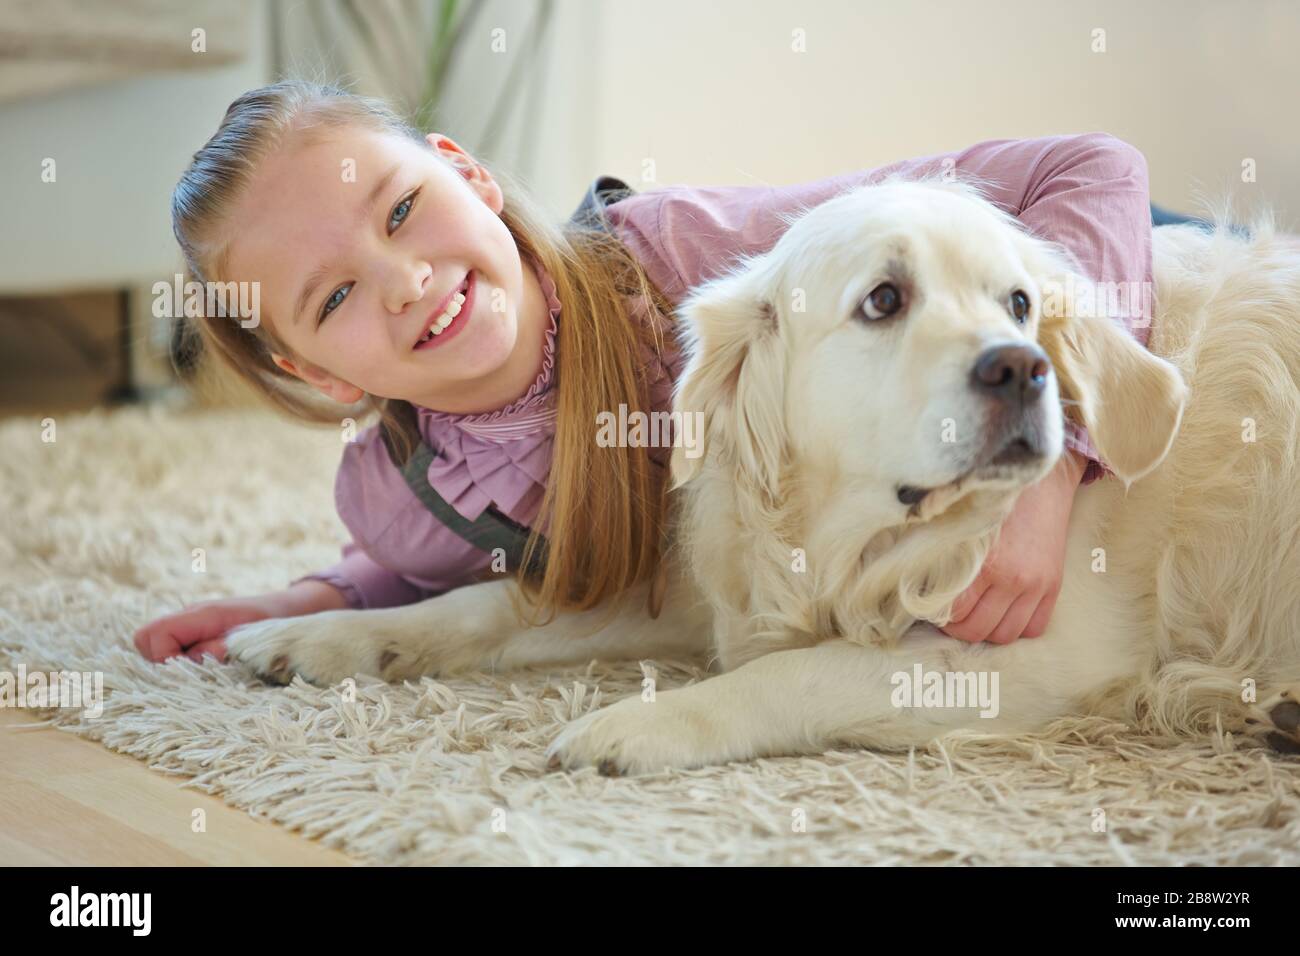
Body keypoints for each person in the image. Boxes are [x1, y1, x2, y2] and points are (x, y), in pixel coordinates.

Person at [134, 78, 1157, 664]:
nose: (403, 279)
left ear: (466, 170)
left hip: (1119, 293)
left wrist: (1059, 460)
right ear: (315, 371)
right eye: (335, 297)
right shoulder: (400, 495)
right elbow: (415, 570)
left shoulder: (698, 255)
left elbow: (1092, 168)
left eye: (401, 208)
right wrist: (305, 598)